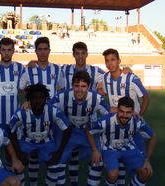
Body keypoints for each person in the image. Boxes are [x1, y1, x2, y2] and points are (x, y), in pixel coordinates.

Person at [50, 71, 110, 186]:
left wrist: (131, 112)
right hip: (67, 133)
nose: (80, 90)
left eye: (83, 86)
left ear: (88, 86)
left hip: (87, 133)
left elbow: (109, 112)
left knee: (98, 162)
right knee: (58, 163)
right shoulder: (62, 96)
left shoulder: (96, 98)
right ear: (72, 85)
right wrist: (28, 104)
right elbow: (46, 108)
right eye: (77, 86)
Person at [102, 48, 150, 185]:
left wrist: (139, 115)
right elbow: (100, 92)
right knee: (117, 168)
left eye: (113, 59)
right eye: (107, 60)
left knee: (144, 171)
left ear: (119, 61)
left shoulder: (131, 78)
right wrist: (107, 108)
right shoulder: (105, 78)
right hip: (114, 128)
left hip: (133, 127)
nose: (110, 63)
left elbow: (146, 97)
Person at [9, 84, 72, 185]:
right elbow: (11, 131)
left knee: (54, 165)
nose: (38, 101)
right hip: (26, 142)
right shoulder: (21, 113)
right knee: (18, 166)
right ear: (29, 99)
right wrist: (19, 152)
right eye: (34, 98)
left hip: (46, 142)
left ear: (46, 98)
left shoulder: (53, 111)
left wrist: (59, 152)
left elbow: (68, 129)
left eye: (41, 97)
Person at [88, 96, 156, 186]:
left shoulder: (137, 122)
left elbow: (153, 136)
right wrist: (95, 150)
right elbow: (88, 130)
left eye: (128, 112)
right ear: (117, 110)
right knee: (113, 175)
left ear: (132, 112)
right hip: (110, 149)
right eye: (121, 111)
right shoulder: (106, 121)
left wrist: (147, 160)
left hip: (129, 149)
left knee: (146, 172)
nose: (124, 115)